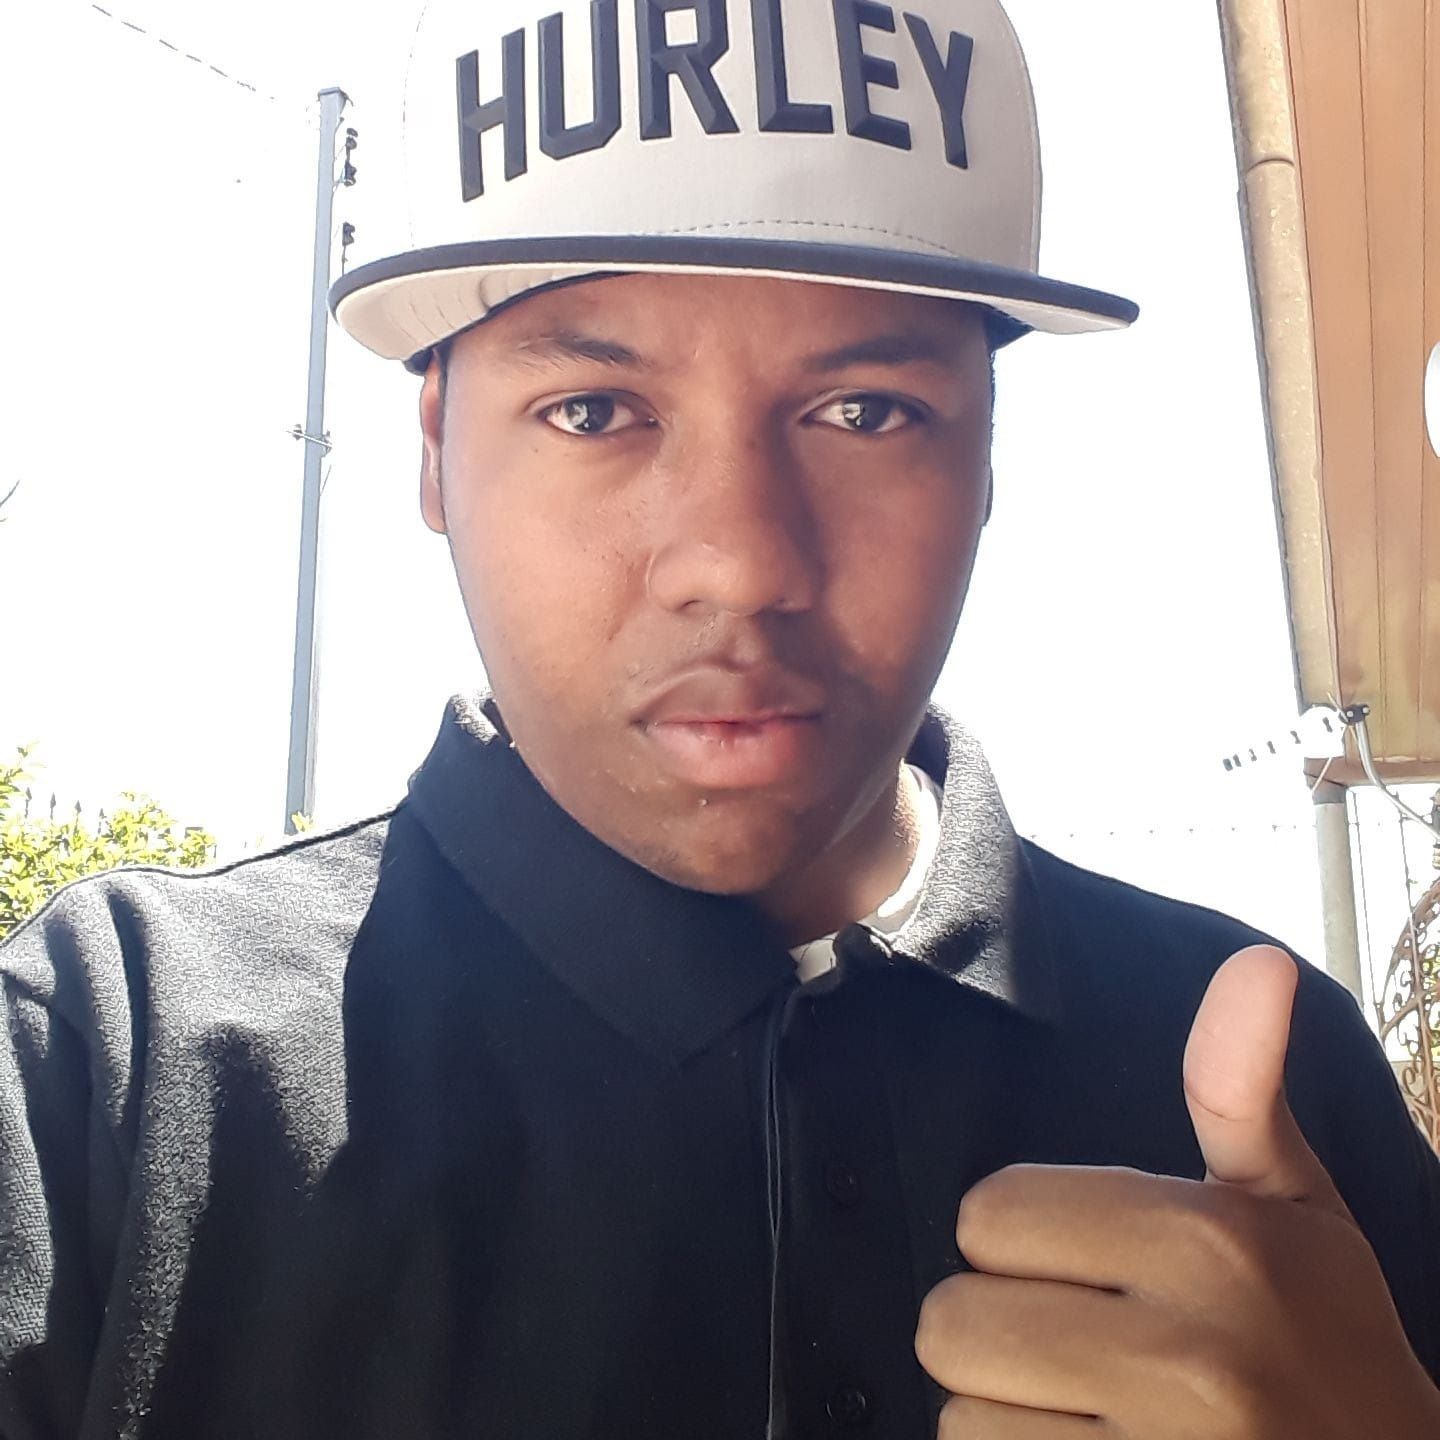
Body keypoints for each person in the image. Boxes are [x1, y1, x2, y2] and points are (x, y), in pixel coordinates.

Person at [4, 0, 1439, 1434]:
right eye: (593, 410)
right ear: (435, 449)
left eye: (866, 411)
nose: (741, 562)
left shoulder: (1272, 1099)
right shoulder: (104, 1072)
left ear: (989, 453)